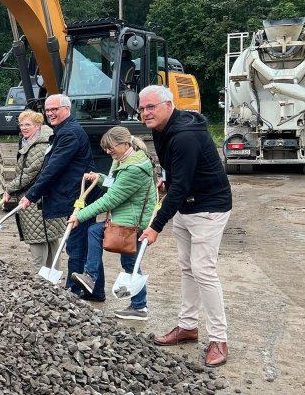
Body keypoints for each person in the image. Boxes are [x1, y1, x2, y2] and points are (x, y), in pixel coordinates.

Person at [138, 85, 233, 367]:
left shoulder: (186, 136)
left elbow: (179, 188)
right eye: (142, 108)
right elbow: (176, 174)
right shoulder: (160, 130)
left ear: (169, 105)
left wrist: (155, 226)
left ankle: (219, 338)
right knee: (187, 268)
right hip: (186, 205)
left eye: (151, 107)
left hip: (209, 207)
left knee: (204, 270)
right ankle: (187, 326)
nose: (145, 113)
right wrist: (166, 178)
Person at [66, 126, 157, 320]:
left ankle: (92, 278)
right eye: (106, 148)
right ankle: (138, 306)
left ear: (125, 144)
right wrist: (100, 178)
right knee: (130, 263)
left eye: (111, 147)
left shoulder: (134, 169)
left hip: (132, 223)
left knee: (96, 233)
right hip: (125, 220)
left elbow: (111, 199)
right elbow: (114, 185)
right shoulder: (124, 161)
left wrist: (79, 216)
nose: (108, 152)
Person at [18, 94, 101, 299]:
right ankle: (94, 291)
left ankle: (73, 293)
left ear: (67, 109)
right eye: (47, 110)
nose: (50, 113)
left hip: (77, 196)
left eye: (54, 109)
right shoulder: (63, 131)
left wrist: (31, 195)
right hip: (73, 194)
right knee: (82, 243)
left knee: (76, 245)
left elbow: (53, 168)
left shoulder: (69, 133)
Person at [0, 111, 64, 268]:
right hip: (45, 198)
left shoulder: (39, 146)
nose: (23, 128)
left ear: (38, 125)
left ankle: (39, 281)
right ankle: (52, 279)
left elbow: (28, 173)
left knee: (38, 240)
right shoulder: (34, 141)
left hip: (36, 201)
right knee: (50, 239)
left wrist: (9, 188)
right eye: (21, 124)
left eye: (27, 124)